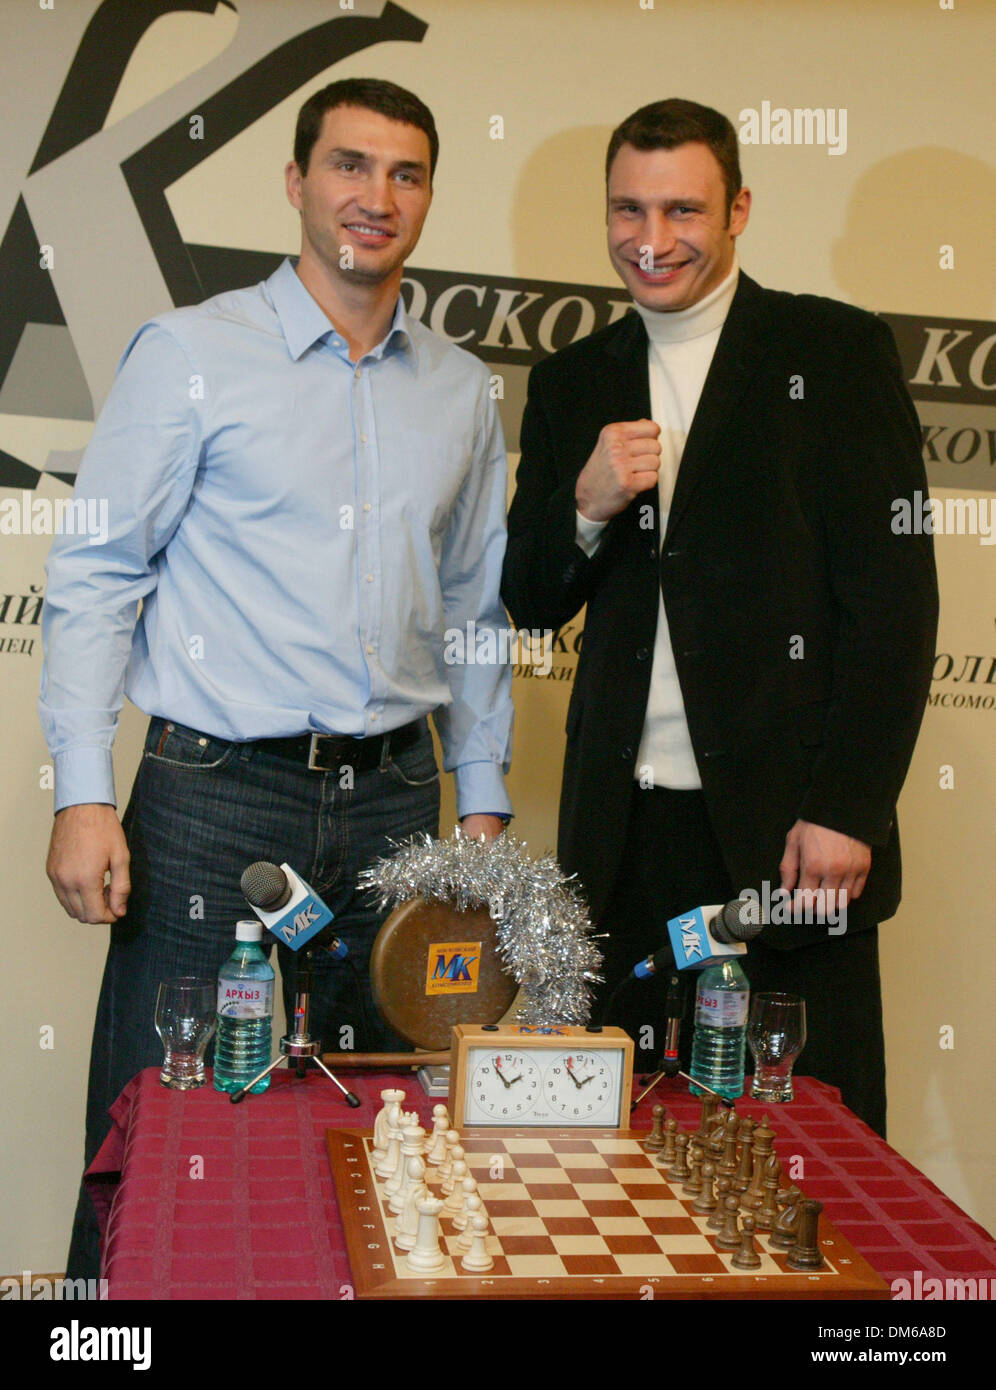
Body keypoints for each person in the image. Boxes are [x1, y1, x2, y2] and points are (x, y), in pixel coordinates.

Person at [40, 78, 513, 1278]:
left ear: (426, 200)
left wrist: (486, 801)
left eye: (405, 174)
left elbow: (474, 609)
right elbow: (98, 574)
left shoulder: (460, 391)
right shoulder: (194, 354)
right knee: (164, 1118)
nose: (376, 197)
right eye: (350, 166)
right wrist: (82, 793)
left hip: (401, 807)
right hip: (213, 803)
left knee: (360, 1126)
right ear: (296, 183)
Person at [501, 98, 937, 1138]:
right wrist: (584, 508)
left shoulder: (833, 352)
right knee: (629, 1147)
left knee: (805, 1144)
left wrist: (848, 807)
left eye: (683, 209)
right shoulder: (572, 378)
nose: (652, 241)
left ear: (739, 207)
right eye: (628, 210)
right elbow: (527, 594)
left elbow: (893, 604)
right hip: (623, 837)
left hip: (791, 837)